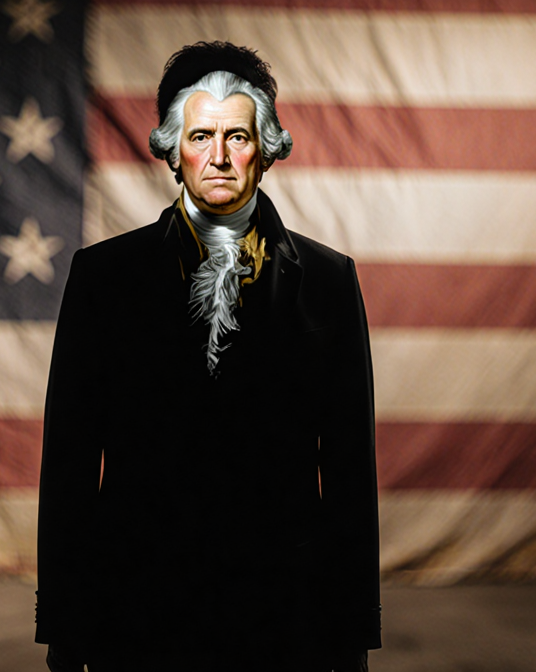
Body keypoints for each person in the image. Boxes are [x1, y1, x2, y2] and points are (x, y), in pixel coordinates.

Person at [35, 41, 380, 672]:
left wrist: (353, 632)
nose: (218, 156)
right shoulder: (103, 278)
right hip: (139, 614)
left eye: (237, 137)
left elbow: (351, 473)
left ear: (267, 148)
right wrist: (63, 624)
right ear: (172, 148)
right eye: (200, 135)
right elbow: (71, 465)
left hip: (283, 618)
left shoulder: (330, 282)